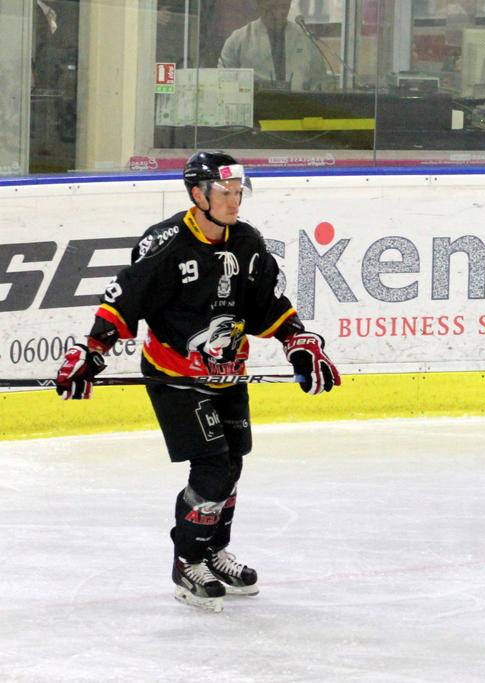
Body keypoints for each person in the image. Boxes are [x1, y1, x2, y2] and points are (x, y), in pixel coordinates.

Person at [53, 151, 341, 613]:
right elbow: (125, 300)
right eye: (224, 192)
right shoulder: (166, 244)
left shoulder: (246, 241)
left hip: (228, 373)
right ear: (197, 194)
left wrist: (296, 340)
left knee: (233, 464)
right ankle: (187, 560)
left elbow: (268, 302)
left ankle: (213, 551)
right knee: (212, 467)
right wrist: (92, 349)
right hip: (175, 377)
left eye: (238, 192)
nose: (234, 201)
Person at [218, 0, 329, 91]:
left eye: (284, 7)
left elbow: (320, 83)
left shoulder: (305, 39)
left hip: (298, 107)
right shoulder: (238, 40)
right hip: (256, 108)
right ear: (259, 5)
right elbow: (222, 82)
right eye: (271, 7)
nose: (278, 13)